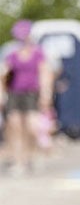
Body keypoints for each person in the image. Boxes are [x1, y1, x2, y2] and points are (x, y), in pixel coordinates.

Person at [0, 20, 52, 177]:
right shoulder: (11, 54)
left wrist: (45, 94)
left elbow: (44, 74)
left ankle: (31, 155)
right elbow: (4, 75)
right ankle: (18, 161)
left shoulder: (38, 53)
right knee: (15, 128)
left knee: (31, 127)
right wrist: (2, 95)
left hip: (31, 94)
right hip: (15, 94)